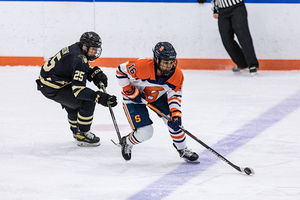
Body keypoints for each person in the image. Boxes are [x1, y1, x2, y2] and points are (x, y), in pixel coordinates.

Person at [116, 41, 199, 163]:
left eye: (171, 62)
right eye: (165, 63)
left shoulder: (177, 75)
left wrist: (176, 114)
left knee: (175, 122)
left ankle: (182, 149)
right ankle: (127, 142)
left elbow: (174, 97)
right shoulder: (142, 66)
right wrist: (130, 91)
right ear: (157, 59)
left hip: (157, 97)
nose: (168, 66)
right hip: (134, 99)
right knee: (146, 133)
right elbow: (120, 71)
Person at [36, 31, 117, 147]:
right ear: (84, 47)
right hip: (53, 87)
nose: (95, 52)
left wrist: (93, 73)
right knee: (87, 101)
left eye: (96, 49)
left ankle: (76, 131)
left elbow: (76, 66)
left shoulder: (76, 49)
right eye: (92, 49)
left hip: (51, 83)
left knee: (73, 103)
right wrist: (98, 97)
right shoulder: (79, 59)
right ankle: (82, 134)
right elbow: (78, 91)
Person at [210, 0, 259, 76]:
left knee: (243, 35)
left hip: (237, 7)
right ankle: (242, 63)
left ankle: (253, 65)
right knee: (226, 39)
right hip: (222, 10)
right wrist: (215, 9)